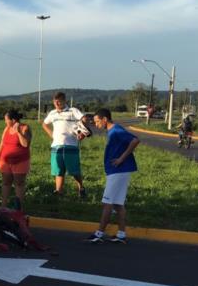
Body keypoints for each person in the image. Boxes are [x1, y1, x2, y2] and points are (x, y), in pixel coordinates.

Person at [86, 108, 140, 244]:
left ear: (105, 119)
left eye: (97, 122)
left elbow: (135, 140)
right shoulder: (113, 131)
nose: (96, 125)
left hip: (118, 171)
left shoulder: (116, 130)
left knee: (107, 203)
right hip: (118, 171)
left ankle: (99, 234)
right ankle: (121, 235)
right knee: (117, 204)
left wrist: (121, 159)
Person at [42, 91, 86, 197]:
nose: (57, 104)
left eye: (59, 102)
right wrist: (51, 135)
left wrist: (82, 132)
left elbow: (83, 119)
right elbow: (44, 124)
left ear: (64, 101)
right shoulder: (52, 113)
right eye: (55, 102)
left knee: (74, 170)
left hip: (70, 145)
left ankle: (81, 187)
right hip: (56, 146)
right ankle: (58, 191)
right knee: (58, 170)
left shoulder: (72, 111)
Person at [0, 109, 32, 210]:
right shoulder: (6, 128)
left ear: (13, 120)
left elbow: (25, 144)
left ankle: (18, 207)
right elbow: (2, 143)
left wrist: (18, 132)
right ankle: (3, 205)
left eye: (6, 120)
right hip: (6, 161)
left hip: (20, 161)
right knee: (6, 182)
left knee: (19, 183)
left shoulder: (25, 128)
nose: (5, 122)